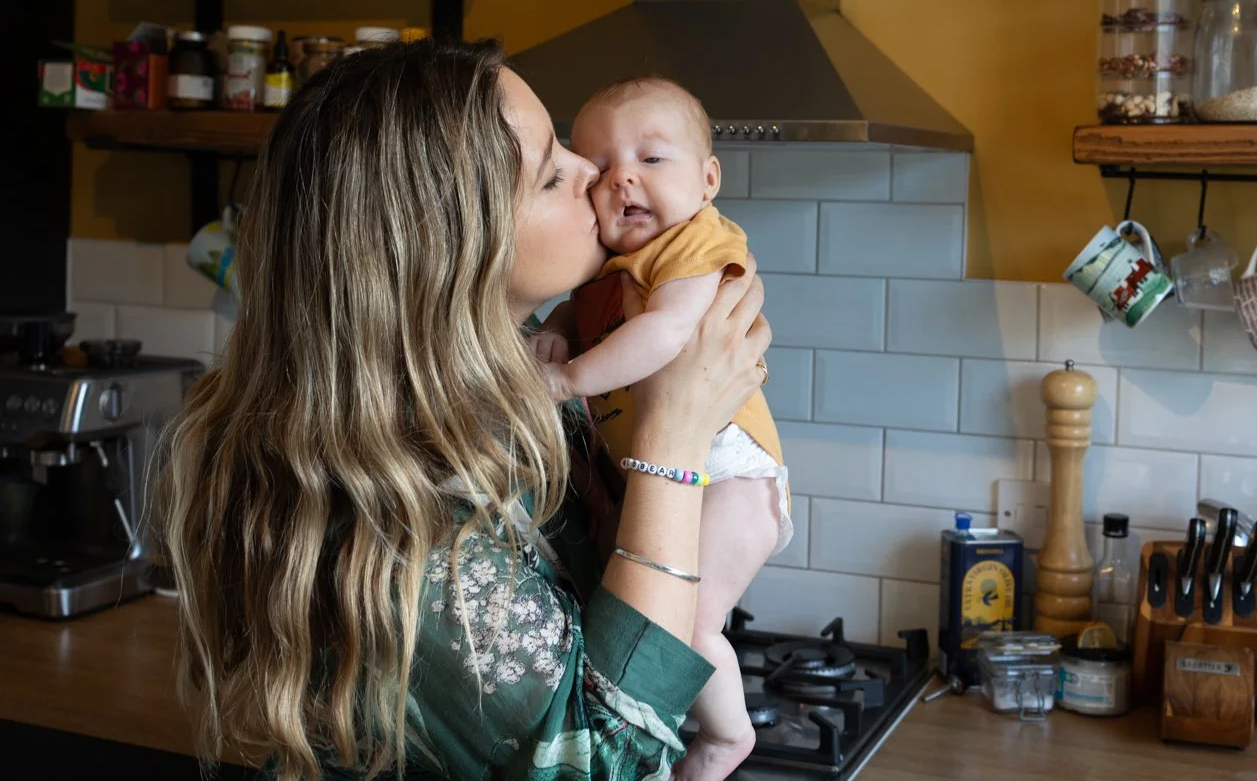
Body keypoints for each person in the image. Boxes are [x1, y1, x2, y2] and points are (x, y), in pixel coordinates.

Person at [155, 38, 772, 781]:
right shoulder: (396, 516)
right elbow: (606, 764)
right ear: (447, 247)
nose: (595, 176)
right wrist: (672, 442)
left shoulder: (524, 375)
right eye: (552, 172)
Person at [532, 77, 789, 781]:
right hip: (671, 473)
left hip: (731, 472)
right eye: (598, 168)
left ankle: (726, 739)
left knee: (690, 627)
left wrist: (564, 379)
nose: (622, 180)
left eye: (651, 158)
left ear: (708, 180)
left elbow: (669, 333)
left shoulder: (695, 244)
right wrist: (557, 330)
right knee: (653, 614)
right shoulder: (611, 267)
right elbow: (583, 312)